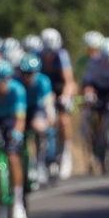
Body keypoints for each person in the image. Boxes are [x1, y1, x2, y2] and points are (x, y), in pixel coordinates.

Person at [0, 60, 29, 218]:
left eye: (4, 80)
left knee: (13, 157)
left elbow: (20, 116)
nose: (0, 84)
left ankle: (18, 201)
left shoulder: (17, 90)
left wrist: (17, 133)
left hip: (10, 121)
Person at [39, 28, 76, 179]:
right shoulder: (37, 55)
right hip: (46, 92)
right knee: (43, 122)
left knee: (64, 119)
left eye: (51, 52)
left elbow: (69, 81)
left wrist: (66, 96)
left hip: (61, 89)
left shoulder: (62, 55)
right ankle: (42, 158)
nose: (49, 55)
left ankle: (66, 153)